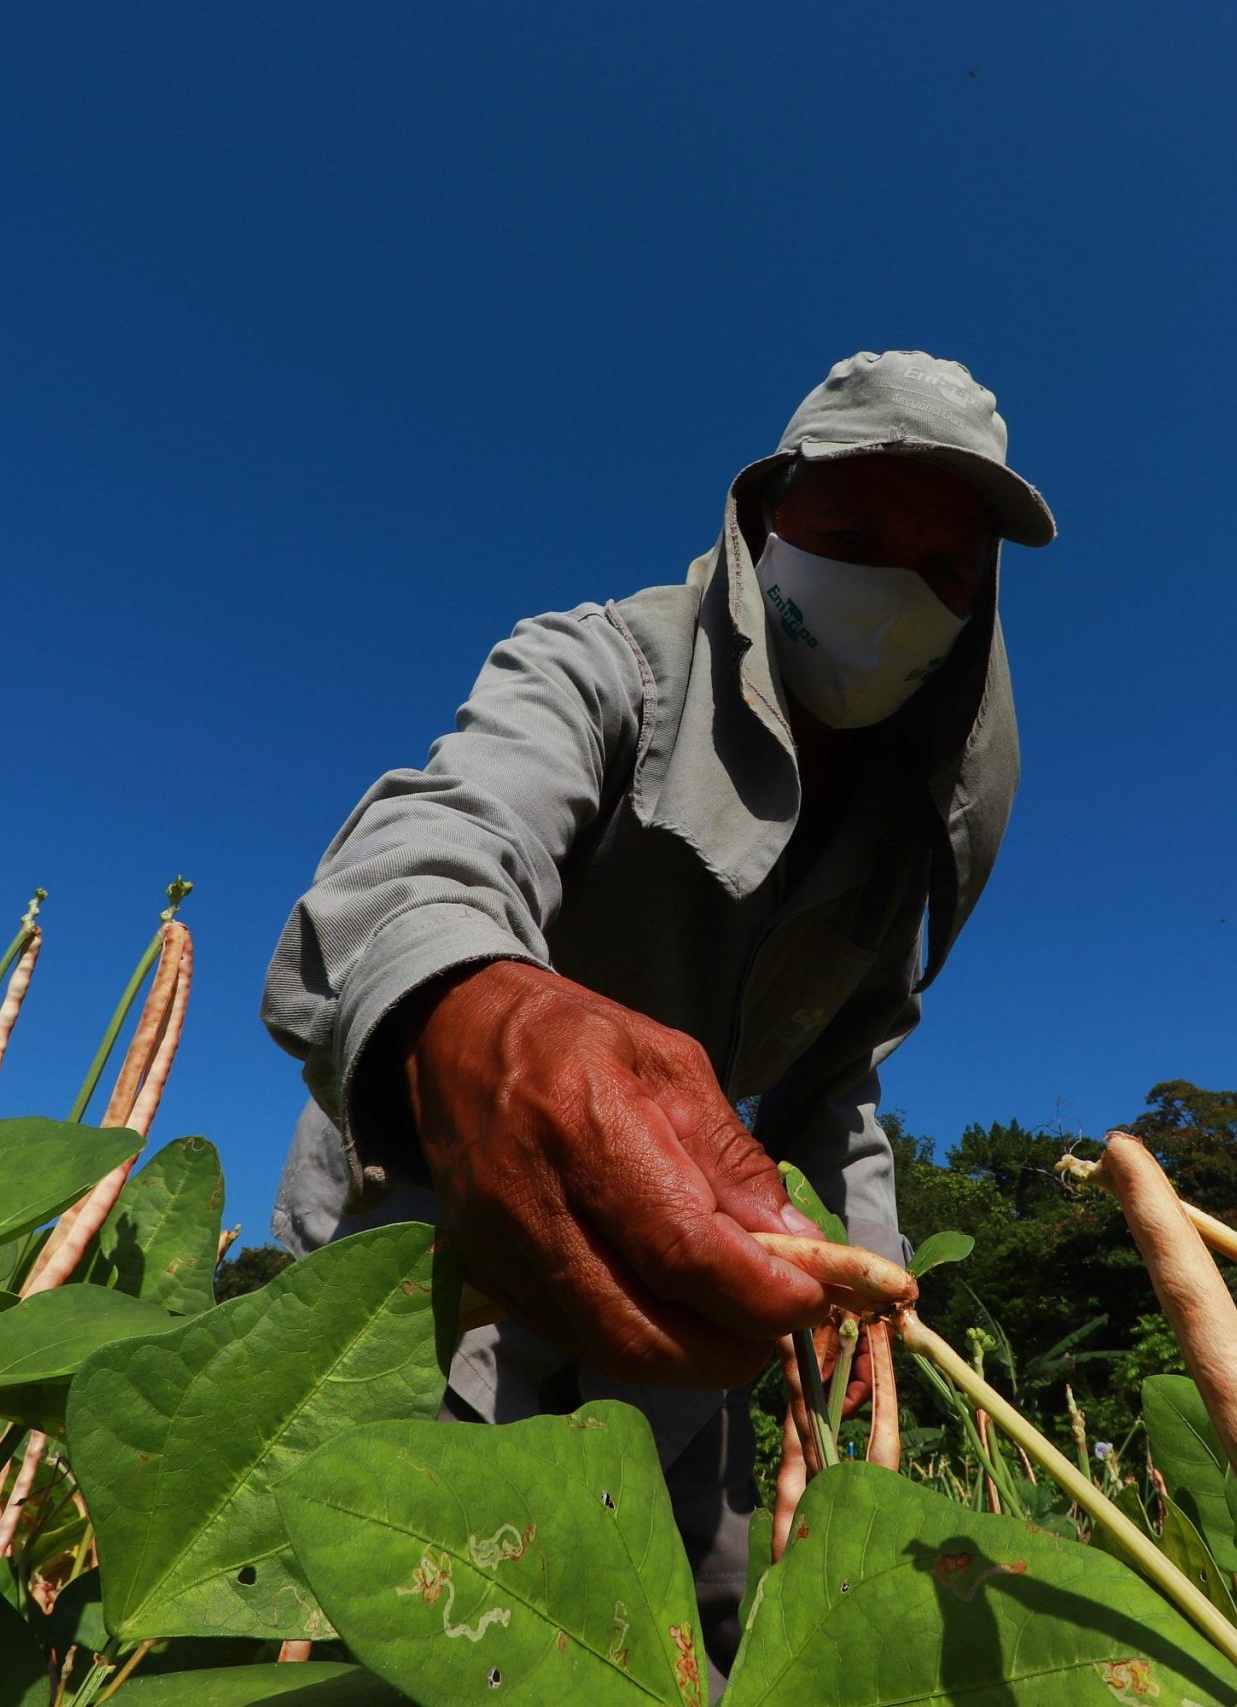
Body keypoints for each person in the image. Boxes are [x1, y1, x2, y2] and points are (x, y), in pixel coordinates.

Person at [260, 349, 1053, 1675]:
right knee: (368, 1624)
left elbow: (842, 1077)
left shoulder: (899, 821)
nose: (897, 594)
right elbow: (433, 847)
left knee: (697, 1635)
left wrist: (869, 1292)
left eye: (948, 571)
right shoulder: (603, 663)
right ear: (765, 526)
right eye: (854, 537)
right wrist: (491, 1018)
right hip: (436, 1221)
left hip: (698, 1288)